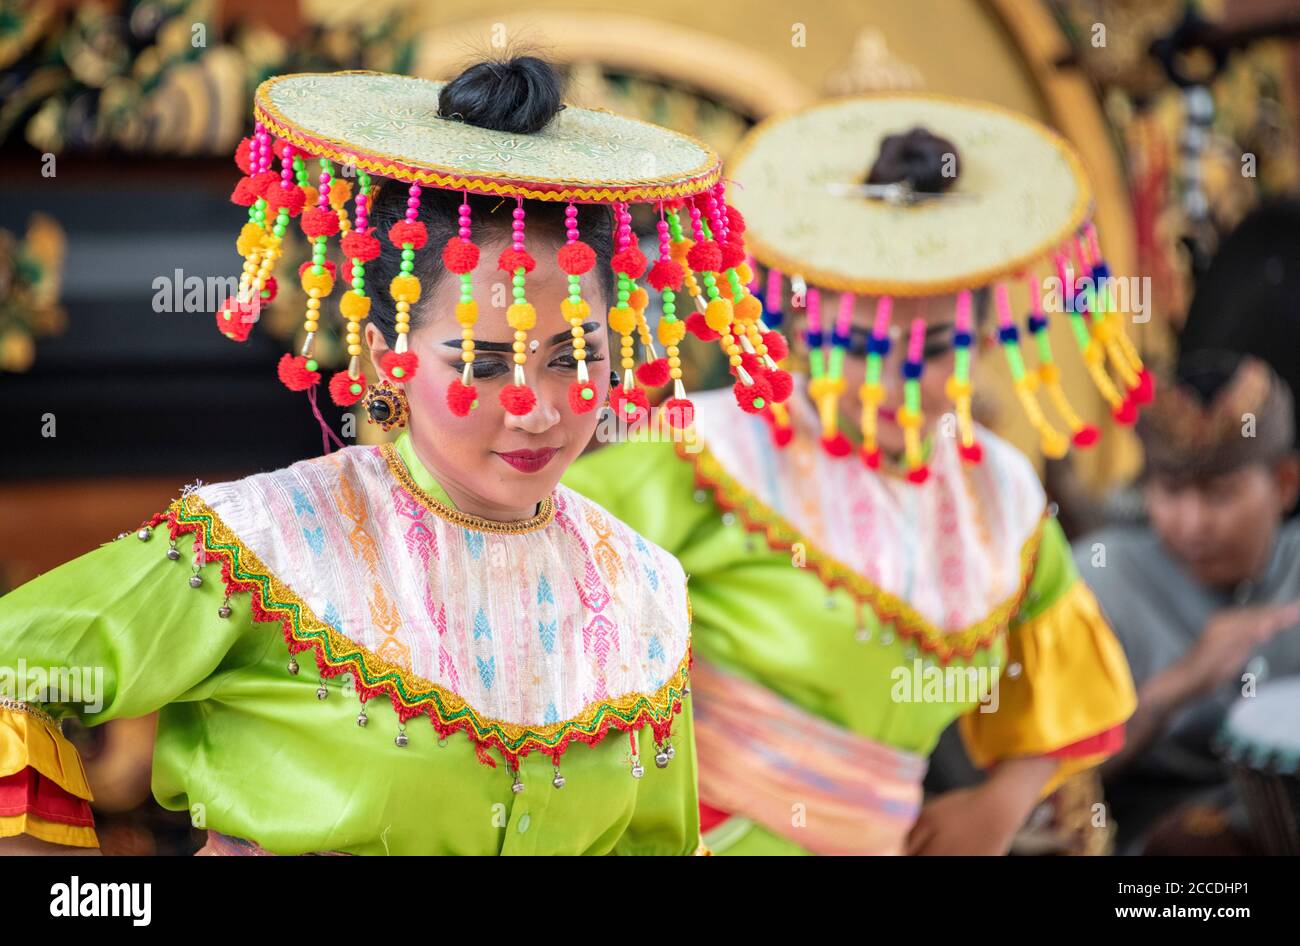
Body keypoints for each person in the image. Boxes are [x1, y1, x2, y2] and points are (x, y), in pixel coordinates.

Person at [0, 55, 791, 855]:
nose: (538, 409)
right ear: (385, 361)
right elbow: (14, 673)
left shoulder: (641, 590)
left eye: (574, 355)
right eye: (481, 365)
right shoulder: (267, 543)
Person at [564, 93, 1144, 855]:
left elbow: (1063, 668)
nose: (898, 385)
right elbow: (541, 595)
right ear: (802, 332)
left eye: (934, 350)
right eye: (864, 349)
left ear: (977, 342)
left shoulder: (999, 495)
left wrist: (998, 803)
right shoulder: (705, 451)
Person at [1074, 351, 1300, 854]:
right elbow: (1051, 786)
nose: (1193, 523)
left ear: (1284, 484)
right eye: (1171, 492)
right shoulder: (1098, 579)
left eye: (1220, 495)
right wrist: (1177, 685)